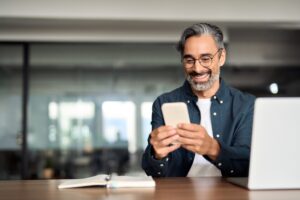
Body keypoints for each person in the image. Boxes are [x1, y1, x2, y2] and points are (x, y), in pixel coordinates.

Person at [141, 23, 255, 177]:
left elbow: (249, 164)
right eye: (189, 60)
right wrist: (157, 155)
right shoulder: (164, 103)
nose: (197, 68)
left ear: (221, 57)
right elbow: (153, 171)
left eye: (206, 59)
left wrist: (213, 148)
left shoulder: (246, 105)